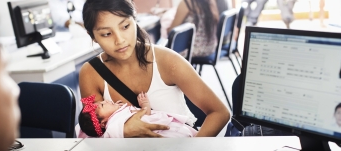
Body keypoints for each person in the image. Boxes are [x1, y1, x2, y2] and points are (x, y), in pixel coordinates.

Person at [80, 0, 230, 138]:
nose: (120, 40)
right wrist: (123, 131)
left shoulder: (168, 61)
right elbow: (94, 131)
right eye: (106, 34)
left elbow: (219, 112)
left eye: (125, 26)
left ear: (135, 19)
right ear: (92, 36)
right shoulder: (89, 74)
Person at [0, 12, 97, 151]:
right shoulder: (90, 72)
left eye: (125, 26)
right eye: (2, 73)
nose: (16, 89)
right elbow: (93, 123)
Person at [78, 94, 197, 138]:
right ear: (103, 123)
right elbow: (143, 119)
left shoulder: (115, 116)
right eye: (103, 105)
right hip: (158, 131)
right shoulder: (113, 126)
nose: (105, 101)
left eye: (102, 102)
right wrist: (145, 105)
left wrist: (117, 107)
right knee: (176, 133)